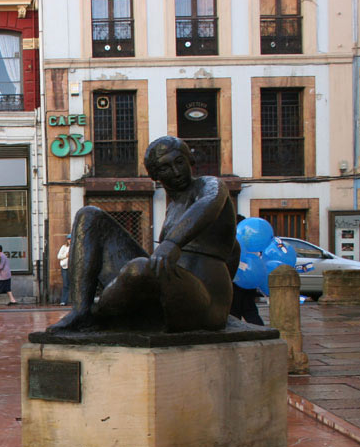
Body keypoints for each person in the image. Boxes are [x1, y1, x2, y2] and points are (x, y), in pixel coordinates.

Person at [54, 136, 235, 333]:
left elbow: (209, 203)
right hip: (166, 289)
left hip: (204, 301)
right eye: (165, 168)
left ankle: (100, 314)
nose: (176, 172)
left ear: (190, 160)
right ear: (155, 176)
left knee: (139, 268)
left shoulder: (210, 185)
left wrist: (172, 243)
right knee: (89, 215)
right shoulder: (173, 207)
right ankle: (81, 312)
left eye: (179, 162)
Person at [57, 235, 71, 305]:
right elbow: (59, 256)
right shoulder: (64, 247)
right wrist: (66, 255)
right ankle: (64, 300)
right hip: (65, 267)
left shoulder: (74, 247)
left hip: (72, 267)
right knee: (65, 284)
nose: (70, 240)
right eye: (68, 239)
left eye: (71, 239)